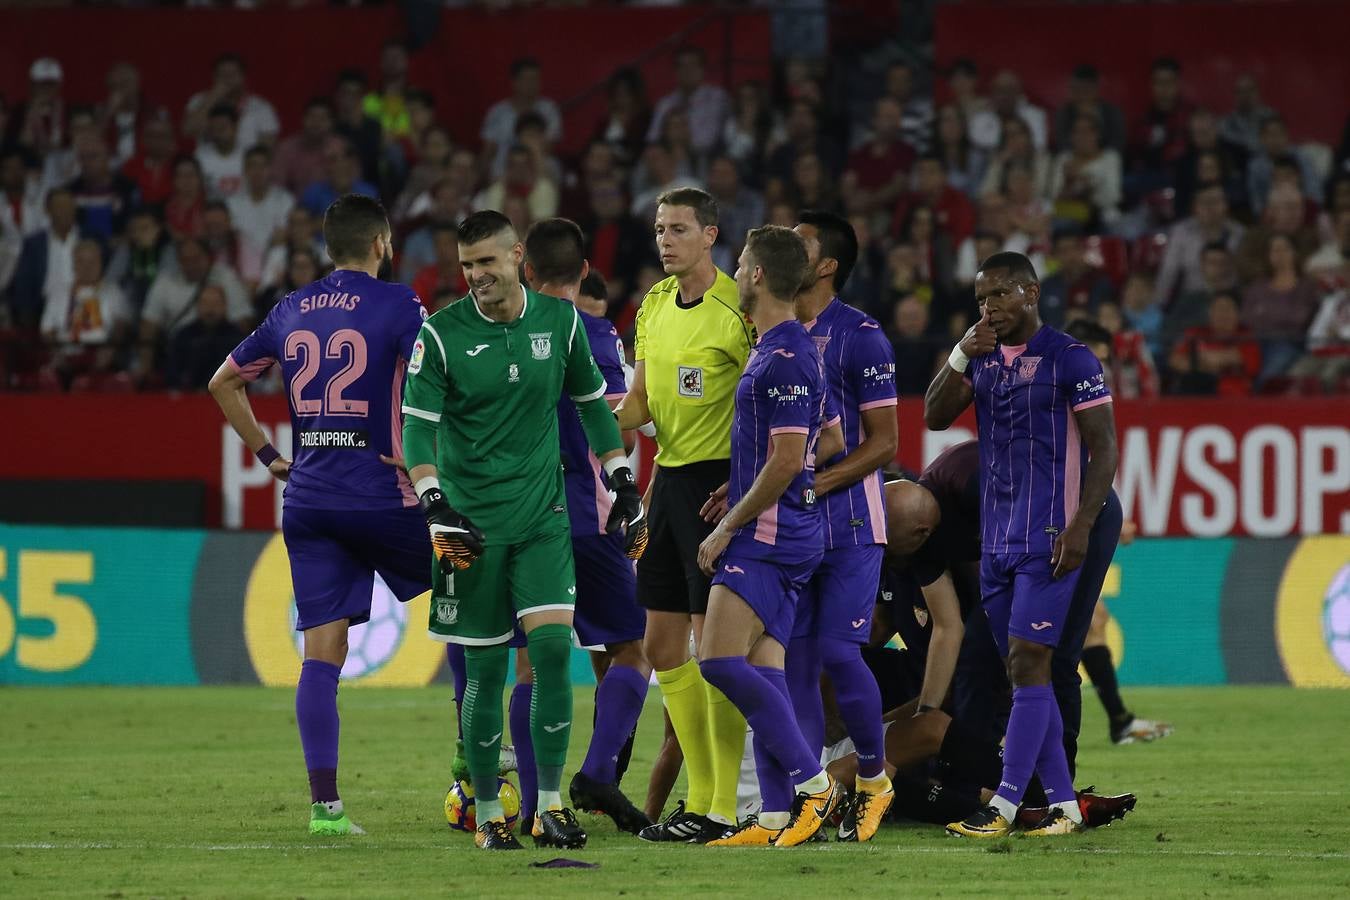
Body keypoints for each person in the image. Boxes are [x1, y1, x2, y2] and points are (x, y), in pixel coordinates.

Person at [400, 210, 644, 851]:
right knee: (482, 672)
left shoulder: (560, 323)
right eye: (467, 264)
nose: (477, 275)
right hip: (470, 529)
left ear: (518, 260)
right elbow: (417, 430)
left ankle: (550, 805)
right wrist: (434, 503)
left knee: (555, 657)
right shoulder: (442, 336)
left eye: (487, 261)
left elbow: (595, 408)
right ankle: (486, 811)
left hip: (544, 522)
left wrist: (621, 481)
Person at [208, 194, 430, 836]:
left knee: (322, 652)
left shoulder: (290, 307)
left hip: (308, 498)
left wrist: (270, 455)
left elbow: (223, 381)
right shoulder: (401, 303)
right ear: (384, 242)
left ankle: (326, 811)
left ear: (327, 247)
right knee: (470, 593)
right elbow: (434, 381)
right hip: (384, 494)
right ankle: (471, 771)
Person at [926, 251, 1119, 837]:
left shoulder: (1070, 357)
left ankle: (1005, 805)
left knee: (1030, 661)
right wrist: (962, 350)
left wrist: (1082, 525)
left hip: (1051, 535)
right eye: (982, 298)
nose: (991, 308)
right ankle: (1060, 806)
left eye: (1001, 295)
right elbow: (935, 415)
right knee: (1021, 674)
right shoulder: (982, 358)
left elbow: (1104, 447)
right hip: (998, 539)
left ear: (1031, 292)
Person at [692, 225, 844, 848]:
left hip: (769, 537)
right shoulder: (786, 346)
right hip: (786, 529)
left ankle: (813, 784)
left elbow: (788, 459)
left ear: (757, 275)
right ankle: (776, 815)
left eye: (740, 261)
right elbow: (827, 440)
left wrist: (730, 524)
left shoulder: (782, 355)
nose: (734, 269)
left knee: (719, 662)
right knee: (765, 671)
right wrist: (746, 481)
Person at [613, 188, 753, 844]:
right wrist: (588, 422)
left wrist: (745, 483)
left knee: (715, 647)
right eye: (659, 228)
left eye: (678, 229)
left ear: (710, 235)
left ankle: (718, 805)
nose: (664, 240)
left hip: (718, 488)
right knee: (664, 645)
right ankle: (703, 796)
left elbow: (768, 406)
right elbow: (640, 401)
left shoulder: (737, 310)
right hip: (665, 483)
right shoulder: (654, 305)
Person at [518, 218, 653, 834]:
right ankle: (598, 772)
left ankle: (526, 803)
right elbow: (627, 427)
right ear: (582, 275)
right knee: (633, 647)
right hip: (591, 519)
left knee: (525, 664)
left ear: (525, 270)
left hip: (520, 520)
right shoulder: (598, 336)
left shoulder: (499, 335)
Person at [781, 211, 897, 842]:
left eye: (799, 243)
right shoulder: (773, 330)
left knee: (836, 653)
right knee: (792, 660)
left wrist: (816, 483)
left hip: (852, 523)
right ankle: (812, 797)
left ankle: (875, 780)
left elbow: (886, 443)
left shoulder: (862, 337)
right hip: (790, 527)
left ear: (825, 265)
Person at [1153, 183, 1244, 309]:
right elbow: (1168, 272)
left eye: (1215, 202)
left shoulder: (1239, 233)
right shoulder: (1181, 232)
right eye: (1204, 203)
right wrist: (1157, 306)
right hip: (1193, 298)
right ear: (1195, 207)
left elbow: (1245, 275)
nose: (1210, 208)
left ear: (1226, 205)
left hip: (1230, 298)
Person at [227, 145, 294, 293]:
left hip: (273, 261)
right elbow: (235, 239)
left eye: (262, 166)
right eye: (252, 166)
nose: (257, 171)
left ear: (270, 169)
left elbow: (281, 237)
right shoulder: (233, 203)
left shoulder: (284, 199)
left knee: (279, 251)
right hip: (244, 263)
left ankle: (264, 292)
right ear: (245, 170)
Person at [480, 58, 562, 179]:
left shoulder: (549, 109)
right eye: (528, 79)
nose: (533, 84)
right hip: (501, 174)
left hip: (537, 172)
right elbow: (489, 150)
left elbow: (549, 146)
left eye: (536, 79)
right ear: (514, 82)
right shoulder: (498, 112)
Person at [183, 53, 279, 150]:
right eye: (222, 75)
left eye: (233, 74)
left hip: (246, 163)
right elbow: (188, 131)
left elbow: (268, 146)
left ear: (243, 77)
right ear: (214, 77)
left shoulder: (261, 107)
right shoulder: (199, 100)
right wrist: (212, 98)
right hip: (206, 162)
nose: (228, 79)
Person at [647, 47, 730, 157]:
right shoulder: (665, 103)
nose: (687, 71)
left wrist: (682, 141)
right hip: (669, 159)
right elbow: (653, 137)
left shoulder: (717, 98)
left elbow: (708, 141)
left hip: (705, 159)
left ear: (703, 69)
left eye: (692, 65)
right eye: (682, 66)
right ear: (675, 72)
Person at [164, 285, 244, 390]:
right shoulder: (183, 335)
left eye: (216, 304)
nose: (210, 309)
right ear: (197, 306)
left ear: (225, 306)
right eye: (205, 303)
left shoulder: (236, 337)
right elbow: (172, 373)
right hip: (188, 398)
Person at [1052, 64, 1126, 155]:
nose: (1082, 94)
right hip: (1073, 161)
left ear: (1096, 89)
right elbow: (1063, 146)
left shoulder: (1112, 112)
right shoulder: (1063, 114)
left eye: (1087, 89)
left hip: (1106, 161)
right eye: (1077, 89)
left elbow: (1117, 145)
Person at [274, 99, 336, 196]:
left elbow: (350, 186)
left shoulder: (340, 149)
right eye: (312, 117)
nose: (317, 123)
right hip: (293, 207)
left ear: (331, 122)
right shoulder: (286, 149)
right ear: (303, 119)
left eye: (323, 118)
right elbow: (277, 187)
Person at [195, 104, 245, 201]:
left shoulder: (248, 155)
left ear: (235, 127)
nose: (218, 133)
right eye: (214, 128)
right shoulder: (200, 156)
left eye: (223, 127)